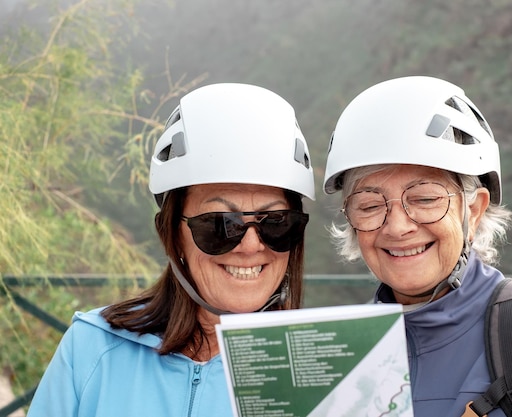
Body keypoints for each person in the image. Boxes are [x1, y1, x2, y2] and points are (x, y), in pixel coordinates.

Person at [323, 76, 512, 416]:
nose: (398, 226)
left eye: (424, 198)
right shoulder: (340, 352)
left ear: (474, 210)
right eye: (370, 205)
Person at [27, 83, 315, 416]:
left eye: (276, 223)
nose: (251, 245)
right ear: (173, 234)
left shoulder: (323, 374)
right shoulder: (92, 349)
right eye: (220, 224)